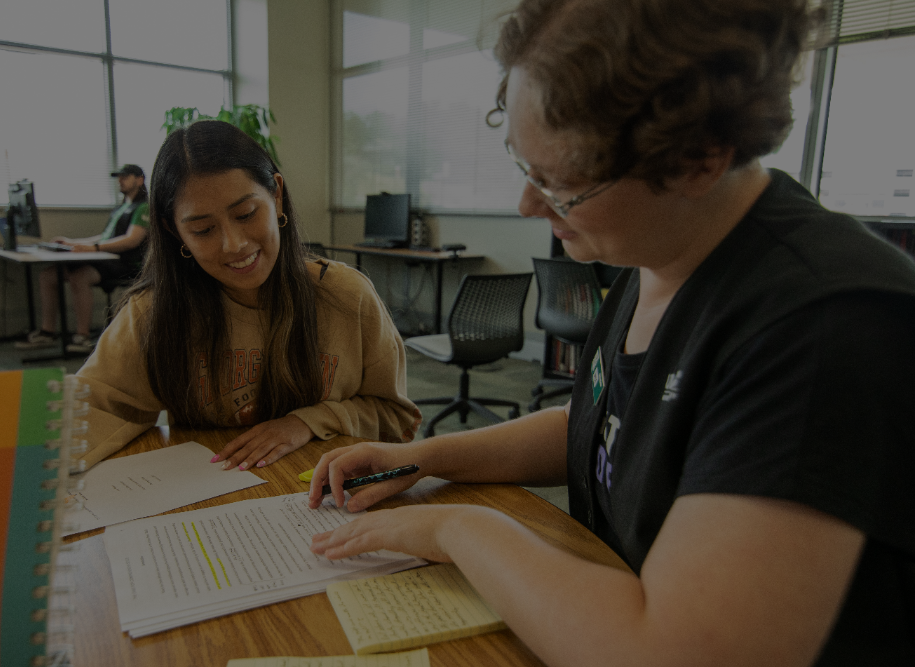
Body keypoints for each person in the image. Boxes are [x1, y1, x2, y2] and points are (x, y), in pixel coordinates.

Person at [307, 1, 915, 665]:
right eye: (522, 165)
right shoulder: (658, 250)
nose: (528, 205)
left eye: (561, 184)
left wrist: (458, 525)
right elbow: (608, 418)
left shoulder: (825, 327)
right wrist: (429, 457)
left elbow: (673, 651)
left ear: (698, 159)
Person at [73, 120, 421, 470]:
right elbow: (90, 411)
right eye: (203, 230)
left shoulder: (346, 296)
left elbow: (396, 418)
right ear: (174, 232)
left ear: (277, 196)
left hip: (327, 499)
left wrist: (308, 422)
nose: (234, 245)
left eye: (246, 214)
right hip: (216, 503)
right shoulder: (152, 313)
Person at [15, 164, 150, 353]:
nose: (120, 180)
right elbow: (105, 236)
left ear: (140, 180)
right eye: (119, 177)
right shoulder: (121, 207)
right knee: (49, 275)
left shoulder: (144, 206)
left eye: (125, 177)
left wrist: (92, 248)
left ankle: (82, 337)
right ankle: (47, 332)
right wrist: (73, 243)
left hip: (124, 263)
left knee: (80, 277)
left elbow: (131, 240)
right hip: (105, 259)